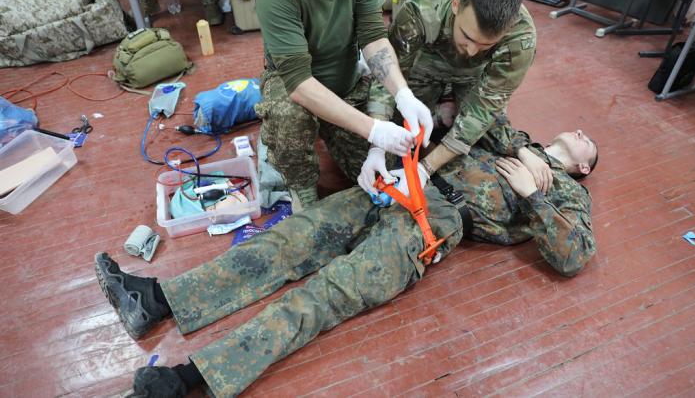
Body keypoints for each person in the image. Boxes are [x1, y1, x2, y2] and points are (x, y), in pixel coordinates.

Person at [94, 118, 598, 397]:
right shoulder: (513, 140)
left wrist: (533, 194)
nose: (579, 131)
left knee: (326, 294)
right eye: (579, 129)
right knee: (291, 238)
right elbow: (485, 114)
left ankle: (184, 381)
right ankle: (155, 299)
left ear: (584, 169)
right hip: (405, 183)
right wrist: (526, 150)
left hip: (437, 223)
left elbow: (573, 255)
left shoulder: (568, 194)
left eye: (587, 143)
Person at [253, 0, 433, 211]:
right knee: (288, 117)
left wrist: (402, 94)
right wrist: (373, 129)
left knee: (381, 171)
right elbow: (299, 82)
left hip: (346, 83)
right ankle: (303, 190)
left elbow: (373, 36)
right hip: (295, 87)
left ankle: (330, 129)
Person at [359, 0, 548, 203]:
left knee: (485, 125)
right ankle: (443, 107)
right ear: (456, 5)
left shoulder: (521, 37)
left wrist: (425, 169)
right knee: (401, 123)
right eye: (467, 36)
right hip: (427, 63)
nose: (472, 51)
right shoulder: (423, 10)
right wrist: (377, 143)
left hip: (474, 74)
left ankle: (454, 112)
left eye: (485, 44)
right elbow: (387, 73)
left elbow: (483, 109)